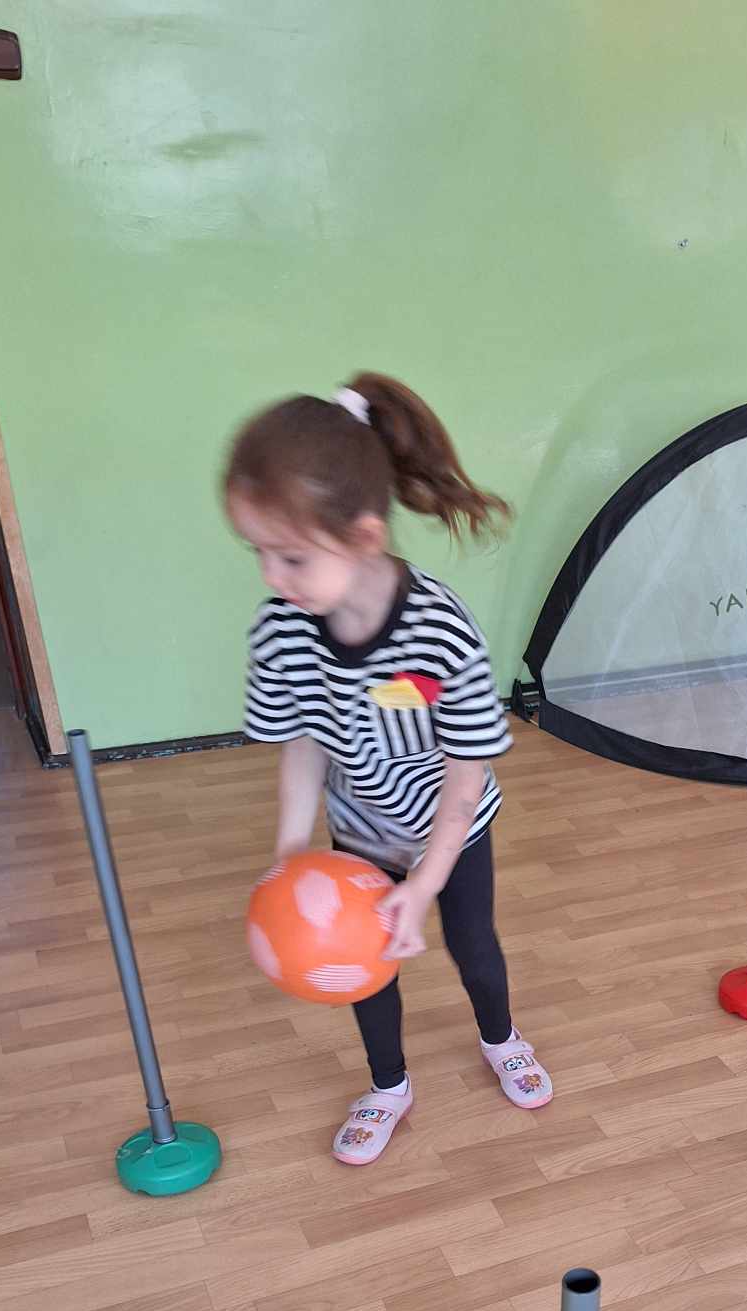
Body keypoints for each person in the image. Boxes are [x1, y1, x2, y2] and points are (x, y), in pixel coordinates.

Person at [225, 375, 551, 1166]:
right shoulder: (282, 630)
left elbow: (466, 773)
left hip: (451, 829)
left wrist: (427, 880)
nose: (271, 576)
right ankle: (388, 1085)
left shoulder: (440, 632)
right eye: (258, 552)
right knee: (364, 968)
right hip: (361, 830)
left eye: (291, 556)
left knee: (473, 945)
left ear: (364, 538)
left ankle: (501, 1039)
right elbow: (302, 742)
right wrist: (291, 852)